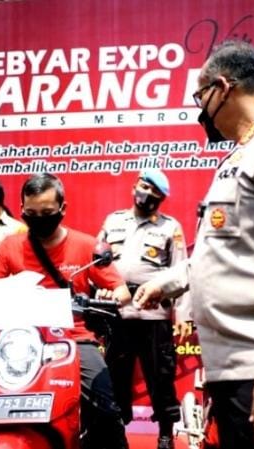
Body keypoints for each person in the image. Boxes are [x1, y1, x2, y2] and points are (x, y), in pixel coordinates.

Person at [134, 41, 254, 449]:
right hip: (238, 368)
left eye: (200, 97)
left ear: (223, 88)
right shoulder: (243, 155)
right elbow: (224, 253)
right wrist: (166, 283)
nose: (200, 111)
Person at [0, 173, 131, 449]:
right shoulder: (11, 246)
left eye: (47, 213)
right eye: (32, 213)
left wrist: (110, 296)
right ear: (22, 209)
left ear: (63, 209)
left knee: (105, 408)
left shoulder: (85, 245)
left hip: (73, 339)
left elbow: (122, 291)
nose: (39, 219)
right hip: (14, 342)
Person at [97, 169, 191, 449]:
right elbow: (98, 262)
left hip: (154, 315)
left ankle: (165, 434)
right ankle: (118, 434)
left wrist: (183, 315)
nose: (148, 194)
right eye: (144, 187)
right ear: (134, 187)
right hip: (118, 312)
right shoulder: (113, 221)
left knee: (161, 377)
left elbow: (182, 270)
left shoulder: (169, 227)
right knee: (116, 377)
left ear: (162, 198)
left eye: (155, 192)